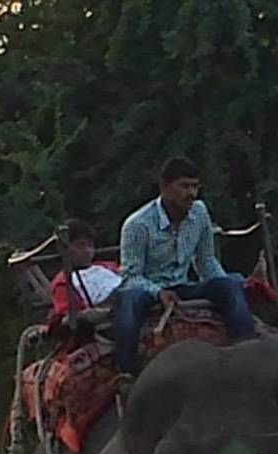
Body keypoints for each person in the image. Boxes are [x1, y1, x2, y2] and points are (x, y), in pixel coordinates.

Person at [110, 156, 256, 375]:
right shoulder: (137, 225)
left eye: (195, 186)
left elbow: (206, 261)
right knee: (128, 298)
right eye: (184, 186)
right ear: (164, 187)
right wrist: (158, 292)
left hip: (183, 285)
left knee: (232, 282)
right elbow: (130, 275)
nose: (191, 193)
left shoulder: (199, 213)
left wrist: (223, 284)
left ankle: (247, 354)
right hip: (148, 290)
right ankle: (126, 372)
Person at [47, 218, 123, 331]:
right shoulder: (63, 282)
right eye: (80, 246)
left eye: (90, 245)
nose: (87, 251)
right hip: (109, 311)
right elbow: (70, 315)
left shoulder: (107, 266)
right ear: (63, 249)